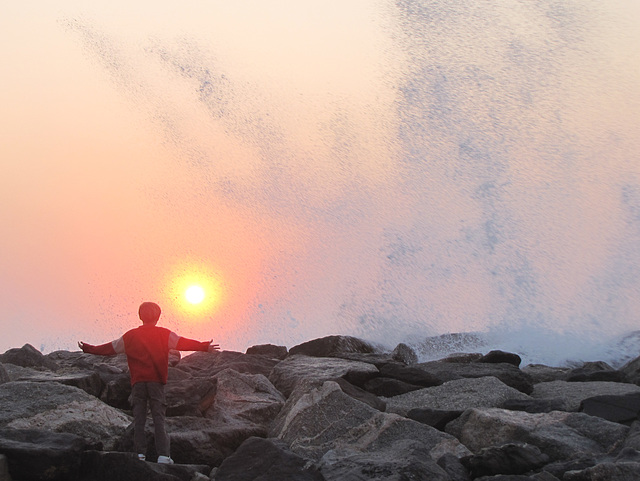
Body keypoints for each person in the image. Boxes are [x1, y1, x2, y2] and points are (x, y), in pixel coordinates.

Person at [78, 301, 219, 464]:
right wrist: (204, 346)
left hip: (138, 383)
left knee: (139, 418)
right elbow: (183, 342)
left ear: (140, 316)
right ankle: (163, 456)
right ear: (158, 317)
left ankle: (139, 454)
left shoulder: (130, 336)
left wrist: (90, 349)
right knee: (158, 417)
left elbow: (110, 348)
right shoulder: (164, 334)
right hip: (156, 382)